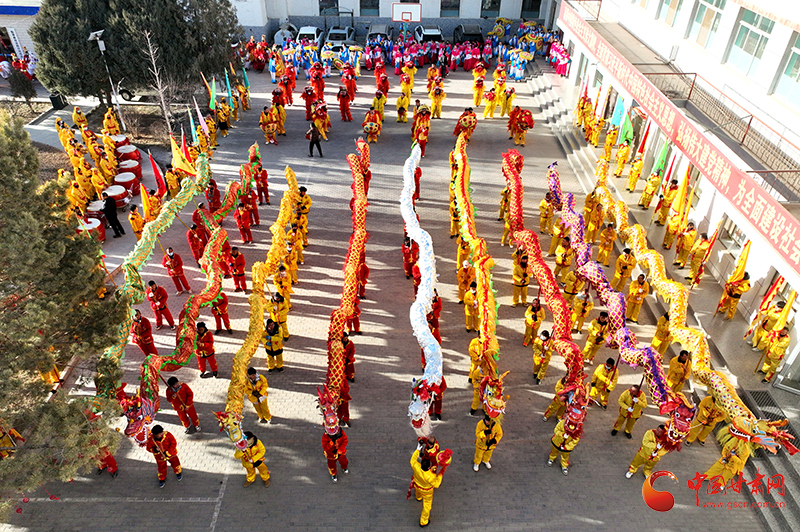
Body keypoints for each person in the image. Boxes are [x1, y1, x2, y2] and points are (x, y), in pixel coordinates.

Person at [410, 444, 444, 527]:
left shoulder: (416, 466)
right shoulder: (431, 476)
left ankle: (418, 497)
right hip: (426, 492)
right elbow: (436, 484)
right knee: (427, 506)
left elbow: (412, 460)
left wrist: (417, 449)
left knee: (418, 491)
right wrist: (441, 473)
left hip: (417, 484)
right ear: (429, 467)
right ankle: (423, 521)